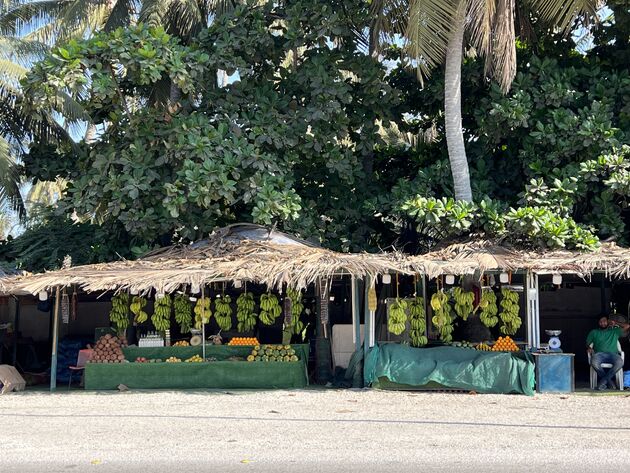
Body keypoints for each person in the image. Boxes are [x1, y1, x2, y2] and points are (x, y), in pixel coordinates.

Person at [586, 316, 629, 390]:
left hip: (613, 355)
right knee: (593, 361)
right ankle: (610, 382)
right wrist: (589, 348)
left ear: (608, 321)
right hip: (599, 355)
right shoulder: (594, 332)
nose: (602, 323)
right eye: (600, 322)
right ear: (598, 323)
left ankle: (602, 382)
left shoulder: (615, 331)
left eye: (604, 321)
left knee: (620, 363)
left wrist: (616, 323)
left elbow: (627, 326)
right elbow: (587, 343)